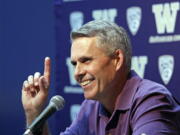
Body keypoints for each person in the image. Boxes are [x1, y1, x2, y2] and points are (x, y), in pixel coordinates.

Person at [22, 20, 180, 135]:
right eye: (74, 64)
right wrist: (34, 112)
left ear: (117, 60)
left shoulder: (151, 100)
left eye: (86, 60)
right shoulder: (90, 106)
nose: (77, 73)